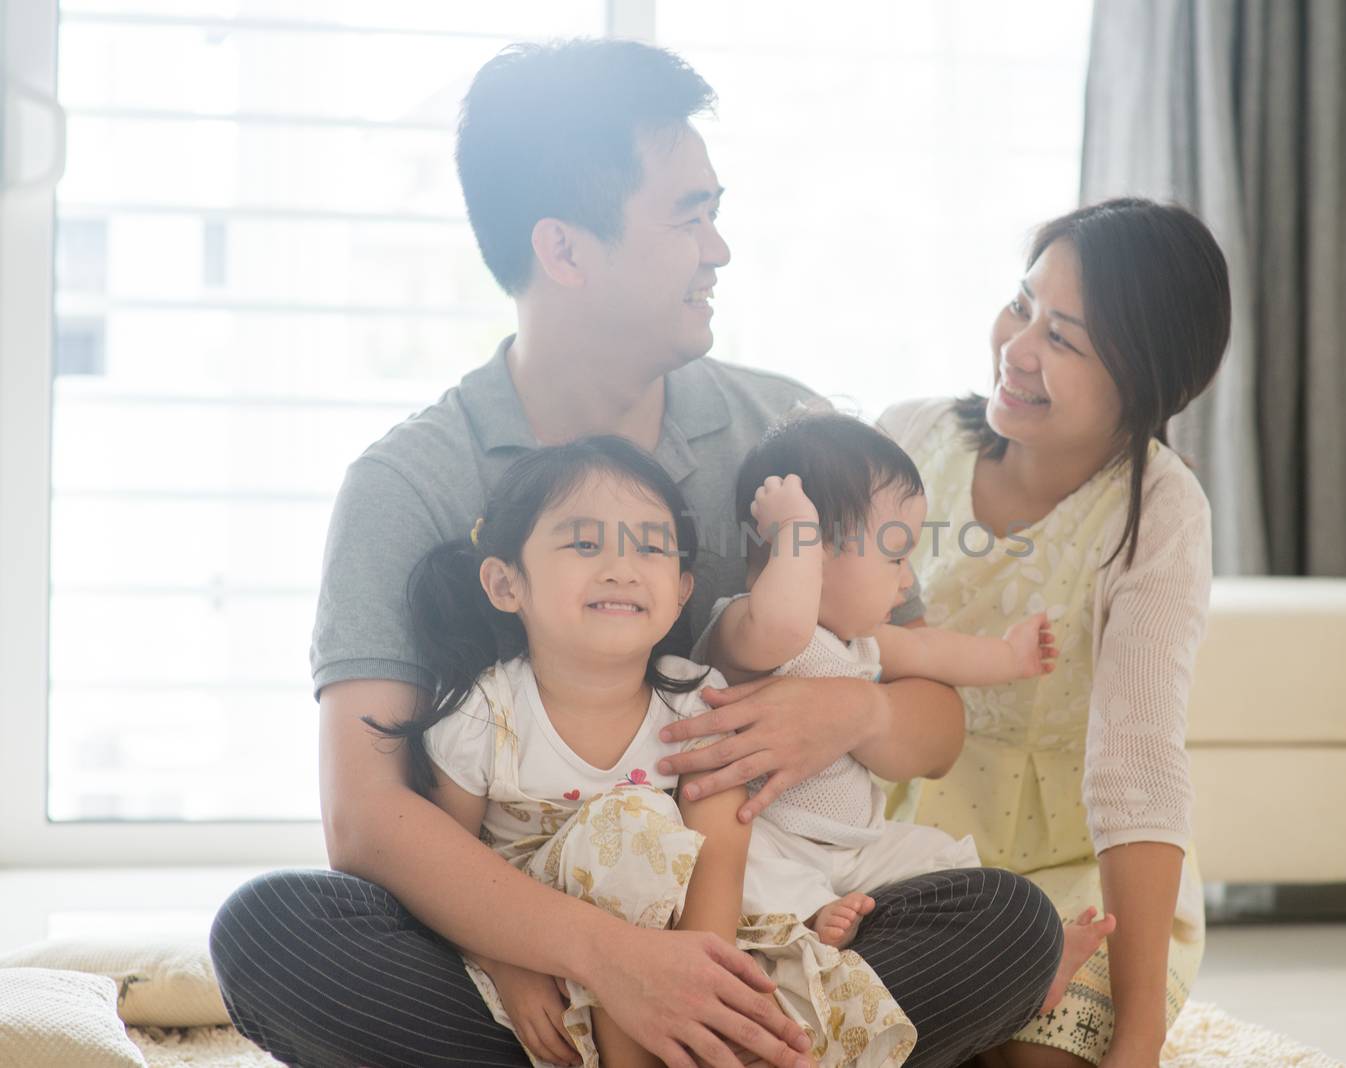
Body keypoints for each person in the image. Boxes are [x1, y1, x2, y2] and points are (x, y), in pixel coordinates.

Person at [209, 38, 1062, 1068]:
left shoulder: (786, 429)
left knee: (1007, 924)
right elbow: (368, 819)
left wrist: (855, 708)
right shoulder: (411, 481)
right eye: (688, 214)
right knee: (273, 934)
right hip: (518, 953)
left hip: (755, 922)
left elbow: (931, 721)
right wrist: (614, 962)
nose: (719, 250)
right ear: (565, 251)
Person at [365, 436, 914, 1068]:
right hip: (536, 961)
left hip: (684, 952)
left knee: (815, 1007)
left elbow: (720, 862)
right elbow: (449, 867)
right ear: (505, 582)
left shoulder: (698, 706)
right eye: (585, 543)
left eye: (650, 547)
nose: (622, 567)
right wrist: (506, 964)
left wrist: (701, 992)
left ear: (683, 589)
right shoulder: (482, 715)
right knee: (627, 826)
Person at [861, 198, 1230, 1068]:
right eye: (1021, 306)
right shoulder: (907, 439)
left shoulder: (1158, 512)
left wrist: (1137, 1041)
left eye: (1063, 339)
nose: (1016, 350)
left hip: (1076, 876)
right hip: (890, 848)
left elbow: (1137, 763)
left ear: (1144, 380)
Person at [690, 411, 1115, 1004]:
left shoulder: (861, 640)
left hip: (858, 845)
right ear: (814, 548)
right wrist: (794, 531)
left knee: (956, 868)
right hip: (771, 839)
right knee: (747, 876)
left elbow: (931, 650)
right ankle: (810, 928)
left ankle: (1034, 966)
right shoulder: (746, 626)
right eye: (895, 556)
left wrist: (1009, 657)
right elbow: (785, 623)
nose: (907, 578)